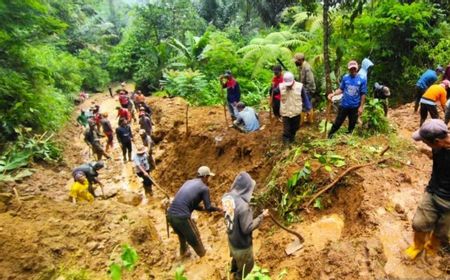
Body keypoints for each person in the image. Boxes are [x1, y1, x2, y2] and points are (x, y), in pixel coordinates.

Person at [405, 119, 450, 259]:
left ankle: (432, 246)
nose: (423, 143)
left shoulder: (438, 144)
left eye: (425, 141)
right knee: (419, 223)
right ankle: (418, 246)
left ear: (436, 141)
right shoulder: (438, 146)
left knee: (442, 232)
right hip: (433, 191)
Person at [222, 172, 269, 279]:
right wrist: (262, 216)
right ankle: (237, 277)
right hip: (242, 247)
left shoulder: (226, 197)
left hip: (232, 240)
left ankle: (233, 270)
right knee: (247, 270)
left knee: (235, 259)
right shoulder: (244, 207)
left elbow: (231, 213)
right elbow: (247, 229)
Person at [167, 166, 222, 258]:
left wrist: (203, 209)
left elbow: (192, 204)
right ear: (204, 177)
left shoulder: (188, 182)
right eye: (208, 177)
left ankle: (183, 253)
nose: (208, 179)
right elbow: (208, 207)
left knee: (182, 236)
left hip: (170, 215)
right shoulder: (204, 188)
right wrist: (219, 209)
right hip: (182, 217)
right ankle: (204, 257)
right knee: (195, 238)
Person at [327, 60, 367, 139]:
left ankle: (348, 138)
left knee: (352, 124)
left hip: (355, 106)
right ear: (348, 69)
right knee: (338, 122)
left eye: (354, 69)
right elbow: (341, 89)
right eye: (351, 69)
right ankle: (330, 136)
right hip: (344, 105)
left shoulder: (362, 79)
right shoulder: (345, 78)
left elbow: (363, 94)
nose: (352, 71)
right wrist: (333, 94)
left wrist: (361, 106)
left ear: (357, 68)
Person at [279, 71, 312, 143]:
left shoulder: (300, 87)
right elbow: (274, 93)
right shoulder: (281, 87)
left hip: (296, 112)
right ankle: (286, 146)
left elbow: (305, 98)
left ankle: (292, 139)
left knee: (295, 128)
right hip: (286, 112)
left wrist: (308, 108)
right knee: (286, 130)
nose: (288, 86)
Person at [293, 53, 316, 123]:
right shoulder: (302, 67)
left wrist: (306, 91)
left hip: (308, 90)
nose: (295, 62)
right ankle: (309, 120)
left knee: (303, 105)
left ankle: (302, 122)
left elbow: (310, 81)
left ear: (300, 60)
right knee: (307, 104)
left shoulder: (307, 68)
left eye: (296, 61)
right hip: (305, 89)